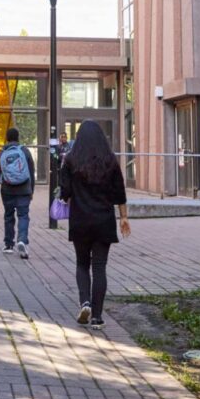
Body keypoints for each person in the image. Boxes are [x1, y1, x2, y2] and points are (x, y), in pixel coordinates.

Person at [58, 120, 129, 332]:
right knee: (99, 267)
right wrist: (124, 217)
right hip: (104, 221)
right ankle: (97, 317)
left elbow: (65, 192)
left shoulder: (71, 160)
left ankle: (85, 303)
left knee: (82, 264)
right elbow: (120, 193)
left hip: (80, 220)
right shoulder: (110, 161)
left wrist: (75, 199)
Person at [0, 126, 35, 258]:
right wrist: (31, 190)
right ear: (18, 138)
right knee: (23, 215)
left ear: (6, 138)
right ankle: (22, 240)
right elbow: (31, 172)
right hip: (24, 189)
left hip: (7, 190)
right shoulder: (25, 151)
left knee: (9, 216)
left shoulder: (1, 153)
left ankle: (9, 244)